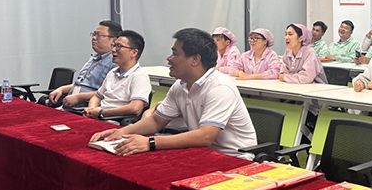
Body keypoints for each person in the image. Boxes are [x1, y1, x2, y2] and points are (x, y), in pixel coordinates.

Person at [88, 28, 256, 158]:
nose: (169, 58)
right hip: (201, 153)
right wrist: (122, 132)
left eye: (175, 53)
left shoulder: (219, 87)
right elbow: (156, 121)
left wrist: (150, 142)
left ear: (195, 60)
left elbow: (205, 136)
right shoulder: (180, 85)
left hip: (235, 159)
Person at [48, 20, 121, 108]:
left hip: (84, 109)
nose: (94, 38)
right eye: (93, 34)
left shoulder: (115, 62)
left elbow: (110, 93)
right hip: (68, 106)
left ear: (114, 40)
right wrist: (62, 89)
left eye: (98, 35)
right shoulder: (93, 58)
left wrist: (78, 97)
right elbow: (82, 84)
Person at [82, 30, 151, 121]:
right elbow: (97, 96)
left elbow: (135, 108)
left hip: (114, 121)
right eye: (114, 45)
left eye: (119, 46)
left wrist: (102, 112)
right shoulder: (112, 72)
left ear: (134, 52)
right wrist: (92, 109)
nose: (113, 50)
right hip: (98, 117)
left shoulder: (139, 76)